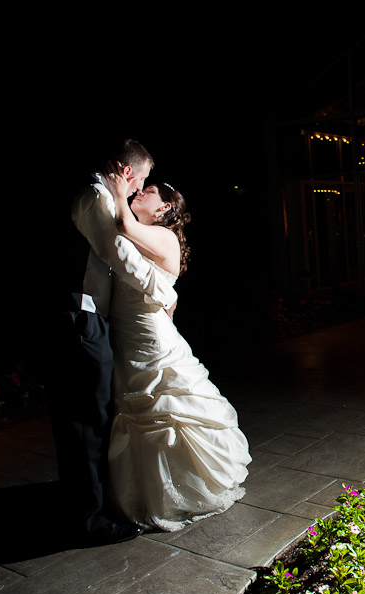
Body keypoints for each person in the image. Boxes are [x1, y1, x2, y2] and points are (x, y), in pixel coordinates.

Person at [103, 177, 251, 531]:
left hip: (149, 338)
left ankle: (179, 491)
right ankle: (144, 490)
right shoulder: (143, 233)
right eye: (141, 189)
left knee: (165, 410)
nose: (141, 192)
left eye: (149, 191)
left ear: (164, 208)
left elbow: (122, 223)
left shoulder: (164, 236)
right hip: (128, 335)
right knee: (139, 411)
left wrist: (118, 191)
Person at [54, 139, 177, 545]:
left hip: (95, 317)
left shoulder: (107, 197)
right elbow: (118, 253)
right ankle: (88, 520)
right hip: (81, 315)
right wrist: (165, 292)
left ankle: (92, 504)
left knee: (93, 414)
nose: (140, 189)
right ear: (128, 172)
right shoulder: (96, 197)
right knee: (86, 419)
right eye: (141, 181)